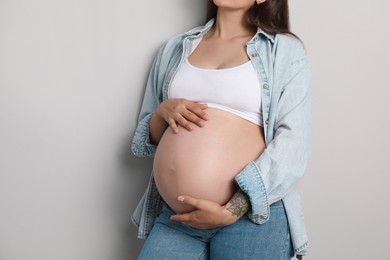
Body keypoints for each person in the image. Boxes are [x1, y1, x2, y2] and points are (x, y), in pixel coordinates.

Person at [131, 0, 312, 259]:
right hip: (179, 217)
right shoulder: (175, 49)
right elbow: (147, 137)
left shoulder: (284, 52)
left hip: (251, 218)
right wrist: (162, 113)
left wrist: (233, 210)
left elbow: (294, 143)